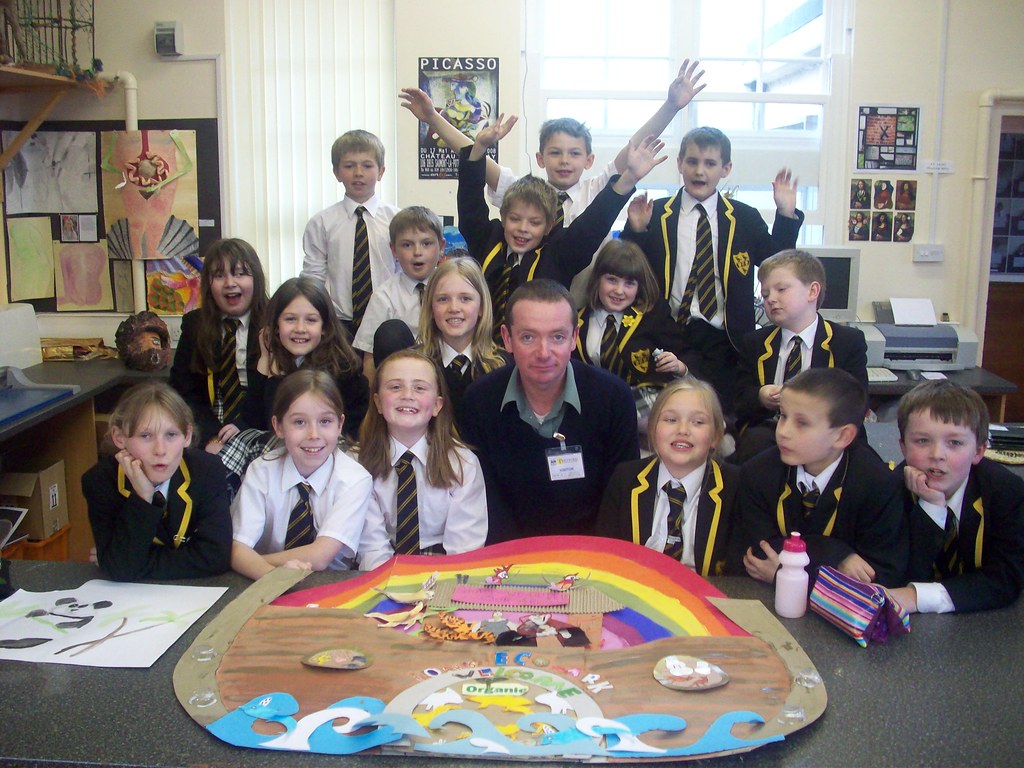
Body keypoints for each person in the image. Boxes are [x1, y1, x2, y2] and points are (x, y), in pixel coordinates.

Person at [401, 60, 705, 296]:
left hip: (582, 306)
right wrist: (433, 118)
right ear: (540, 158)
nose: (564, 161)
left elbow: (635, 152)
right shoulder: (522, 194)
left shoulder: (597, 190)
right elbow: (473, 166)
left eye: (574, 154)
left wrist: (671, 107)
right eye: (555, 153)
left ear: (588, 160)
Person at [620, 126, 803, 411]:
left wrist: (786, 214)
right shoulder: (656, 213)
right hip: (668, 333)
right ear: (680, 164)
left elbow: (777, 264)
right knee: (672, 412)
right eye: (692, 162)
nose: (699, 171)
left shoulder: (744, 218)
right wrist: (635, 230)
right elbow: (629, 267)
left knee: (721, 417)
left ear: (725, 168)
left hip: (725, 340)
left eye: (710, 164)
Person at [461, 280, 640, 543]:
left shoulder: (614, 399)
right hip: (508, 554)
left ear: (574, 338)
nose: (543, 353)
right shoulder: (479, 402)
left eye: (557, 337)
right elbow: (484, 502)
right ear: (507, 338)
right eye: (528, 337)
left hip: (592, 553)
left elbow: (620, 501)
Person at [457, 114, 666, 330]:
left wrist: (629, 178)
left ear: (549, 226)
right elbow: (470, 206)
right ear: (503, 217)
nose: (523, 228)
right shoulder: (489, 241)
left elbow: (593, 225)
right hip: (484, 343)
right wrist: (479, 147)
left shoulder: (557, 255)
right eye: (515, 219)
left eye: (535, 222)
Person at [731, 368, 907, 587]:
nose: (783, 432)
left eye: (802, 423)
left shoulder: (878, 485)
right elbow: (759, 555)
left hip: (845, 608)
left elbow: (880, 577)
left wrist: (784, 575)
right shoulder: (758, 472)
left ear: (842, 436)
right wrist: (834, 553)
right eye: (783, 416)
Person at [889, 381, 1024, 613]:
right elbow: (899, 572)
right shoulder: (890, 489)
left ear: (978, 451)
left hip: (985, 621)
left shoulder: (1006, 492)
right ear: (903, 447)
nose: (937, 455)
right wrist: (931, 508)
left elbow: (1005, 579)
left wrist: (917, 596)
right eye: (922, 440)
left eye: (954, 443)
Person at [82, 381, 232, 581]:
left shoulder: (207, 470)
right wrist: (143, 498)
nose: (160, 450)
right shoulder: (100, 481)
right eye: (145, 436)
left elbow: (215, 557)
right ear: (119, 437)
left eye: (171, 435)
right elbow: (119, 569)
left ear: (187, 436)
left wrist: (134, 564)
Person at [230, 370, 372, 579]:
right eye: (299, 422)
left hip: (330, 583)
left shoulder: (355, 479)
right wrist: (274, 577)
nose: (313, 435)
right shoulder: (261, 471)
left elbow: (320, 556)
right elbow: (237, 548)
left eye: (325, 421)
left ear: (340, 425)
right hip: (261, 580)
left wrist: (252, 561)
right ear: (278, 426)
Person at [356, 350, 488, 570]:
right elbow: (372, 549)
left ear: (437, 405)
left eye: (419, 388)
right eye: (395, 387)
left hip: (445, 573)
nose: (407, 395)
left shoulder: (463, 464)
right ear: (378, 402)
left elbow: (464, 550)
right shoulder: (358, 465)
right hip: (380, 574)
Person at [733, 250, 867, 462]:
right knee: (753, 449)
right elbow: (739, 399)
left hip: (826, 433)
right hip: (771, 431)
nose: (771, 299)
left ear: (812, 291)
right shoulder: (755, 342)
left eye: (781, 289)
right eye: (765, 295)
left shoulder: (847, 341)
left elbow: (857, 401)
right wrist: (761, 396)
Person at [597, 378, 738, 577]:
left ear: (715, 436)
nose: (683, 430)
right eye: (671, 420)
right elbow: (605, 554)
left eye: (698, 422)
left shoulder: (735, 486)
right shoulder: (626, 478)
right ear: (653, 429)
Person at [573, 239, 690, 432]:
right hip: (594, 401)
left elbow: (685, 357)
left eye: (629, 283)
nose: (619, 291)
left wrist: (679, 367)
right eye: (612, 280)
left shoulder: (652, 317)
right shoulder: (576, 320)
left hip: (645, 400)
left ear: (639, 287)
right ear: (597, 279)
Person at [169, 238, 269, 453]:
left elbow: (278, 392)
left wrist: (243, 427)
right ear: (208, 284)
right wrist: (211, 435)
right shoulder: (195, 325)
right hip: (209, 425)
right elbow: (184, 391)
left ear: (256, 280)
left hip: (261, 423)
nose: (230, 283)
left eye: (240, 274)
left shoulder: (274, 324)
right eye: (219, 275)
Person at [301, 129, 400, 334]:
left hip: (389, 319)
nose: (358, 173)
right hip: (339, 323)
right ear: (337, 173)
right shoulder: (321, 223)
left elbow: (403, 269)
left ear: (381, 172)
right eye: (349, 166)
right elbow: (314, 277)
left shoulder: (397, 220)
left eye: (367, 165)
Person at [251, 277, 369, 440]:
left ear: (325, 327)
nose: (300, 329)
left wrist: (275, 379)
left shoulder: (341, 370)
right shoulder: (273, 355)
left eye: (311, 320)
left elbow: (279, 430)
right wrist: (265, 360)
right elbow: (252, 420)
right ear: (276, 326)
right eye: (290, 319)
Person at [417, 256, 509, 430]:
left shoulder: (503, 367)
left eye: (465, 298)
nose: (454, 308)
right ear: (430, 307)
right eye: (443, 299)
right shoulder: (413, 364)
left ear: (481, 307)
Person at [352, 206, 444, 378]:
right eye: (407, 245)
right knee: (391, 332)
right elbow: (370, 358)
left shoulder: (452, 287)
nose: (417, 252)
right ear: (394, 250)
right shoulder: (384, 296)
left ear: (441, 246)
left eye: (426, 243)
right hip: (401, 376)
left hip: (445, 371)